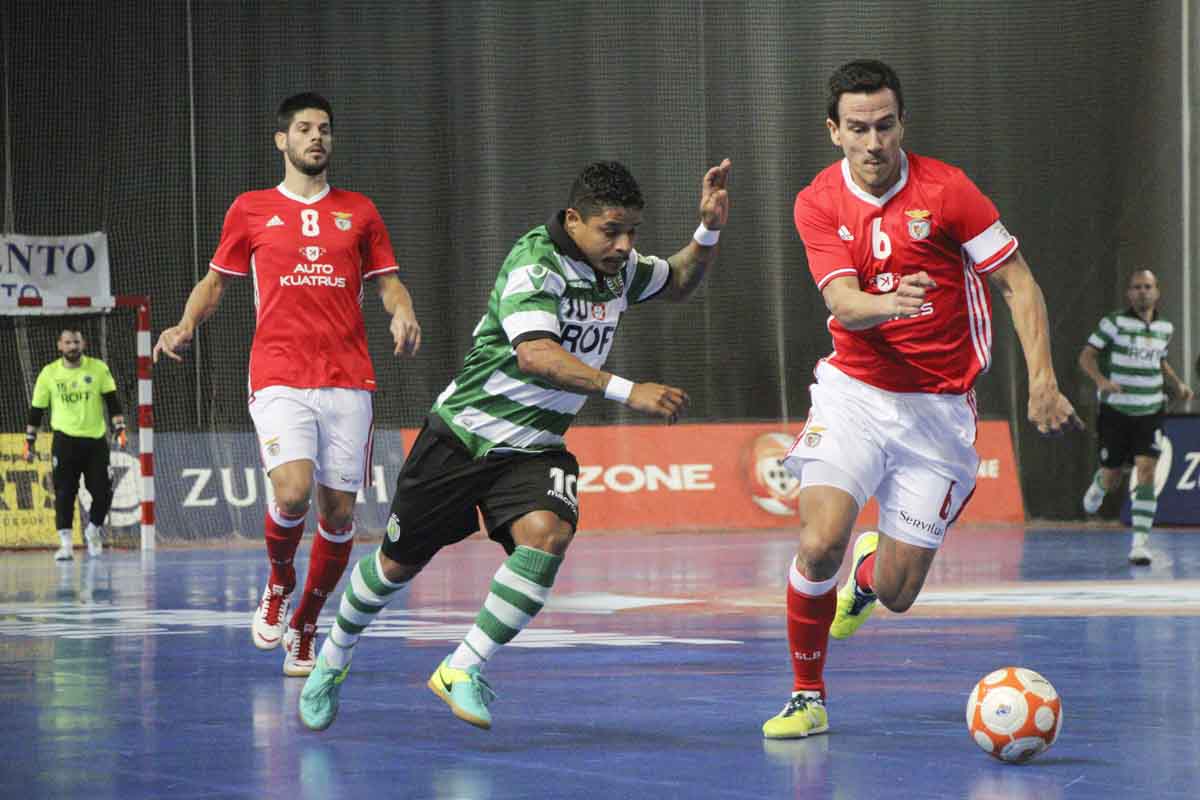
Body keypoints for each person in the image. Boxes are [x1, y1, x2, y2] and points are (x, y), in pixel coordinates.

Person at [297, 157, 732, 732]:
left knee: (549, 536)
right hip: (462, 438)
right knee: (395, 567)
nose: (625, 245)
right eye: (611, 231)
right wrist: (630, 392)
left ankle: (463, 666)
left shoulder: (617, 268)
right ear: (574, 219)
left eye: (632, 233)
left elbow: (675, 279)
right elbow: (536, 355)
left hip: (535, 448)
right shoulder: (536, 261)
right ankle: (333, 657)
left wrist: (707, 230)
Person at [762, 60, 1081, 740]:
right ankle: (806, 695)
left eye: (884, 126)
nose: (873, 143)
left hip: (938, 410)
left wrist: (1044, 380)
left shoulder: (948, 190)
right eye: (857, 129)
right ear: (833, 132)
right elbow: (843, 303)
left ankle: (872, 573)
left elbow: (1018, 284)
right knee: (818, 544)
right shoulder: (817, 200)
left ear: (901, 121)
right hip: (853, 391)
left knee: (900, 594)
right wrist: (885, 304)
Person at [153, 92, 422, 677]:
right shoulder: (250, 209)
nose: (316, 137)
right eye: (304, 129)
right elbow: (217, 282)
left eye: (324, 128)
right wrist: (184, 323)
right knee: (293, 492)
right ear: (283, 141)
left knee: (341, 515)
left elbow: (388, 283)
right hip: (278, 373)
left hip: (348, 378)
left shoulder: (361, 212)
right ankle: (279, 581)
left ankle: (305, 623)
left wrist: (402, 312)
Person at [1078, 269, 1192, 565]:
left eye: (1148, 286)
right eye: (1137, 287)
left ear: (1157, 291)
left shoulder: (1165, 327)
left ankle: (1139, 544)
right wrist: (1101, 381)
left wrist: (1177, 383)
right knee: (1112, 474)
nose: (1143, 292)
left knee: (1146, 471)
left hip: (1151, 409)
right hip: (1117, 409)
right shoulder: (1113, 323)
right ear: (1129, 293)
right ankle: (1099, 485)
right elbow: (1086, 356)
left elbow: (1160, 360)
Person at [24, 329, 127, 560]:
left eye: (76, 342)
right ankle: (66, 545)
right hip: (64, 442)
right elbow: (36, 411)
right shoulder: (49, 373)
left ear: (84, 344)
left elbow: (112, 402)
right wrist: (29, 442)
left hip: (95, 442)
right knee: (64, 493)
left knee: (103, 492)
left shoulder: (98, 368)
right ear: (60, 345)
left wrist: (120, 429)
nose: (73, 346)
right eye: (68, 342)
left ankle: (93, 530)